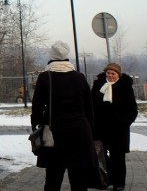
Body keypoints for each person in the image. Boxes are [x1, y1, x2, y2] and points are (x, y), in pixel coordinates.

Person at [31, 41, 96, 191]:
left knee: (53, 178)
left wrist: (38, 125)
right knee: (79, 179)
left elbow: (37, 107)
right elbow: (89, 107)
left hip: (55, 132)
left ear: (51, 56)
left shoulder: (45, 77)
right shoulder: (79, 77)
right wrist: (90, 130)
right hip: (80, 132)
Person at [91, 62, 138, 191]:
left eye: (113, 73)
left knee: (118, 157)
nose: (110, 75)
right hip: (101, 127)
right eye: (108, 73)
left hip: (119, 128)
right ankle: (105, 179)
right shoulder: (98, 85)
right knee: (101, 155)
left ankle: (119, 183)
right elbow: (92, 105)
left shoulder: (125, 87)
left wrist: (124, 122)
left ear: (118, 74)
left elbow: (132, 109)